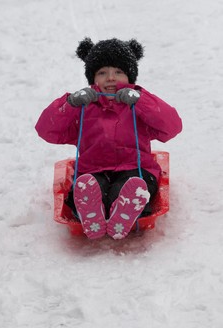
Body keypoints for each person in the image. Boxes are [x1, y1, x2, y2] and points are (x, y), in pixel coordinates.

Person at [35, 38, 182, 240]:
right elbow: (46, 130)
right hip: (93, 170)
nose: (111, 78)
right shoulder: (83, 110)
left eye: (118, 72)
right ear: (92, 79)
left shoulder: (138, 107)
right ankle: (92, 213)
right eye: (102, 73)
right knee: (89, 187)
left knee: (132, 187)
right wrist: (70, 104)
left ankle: (123, 211)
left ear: (130, 77)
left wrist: (142, 100)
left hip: (134, 168)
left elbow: (172, 126)